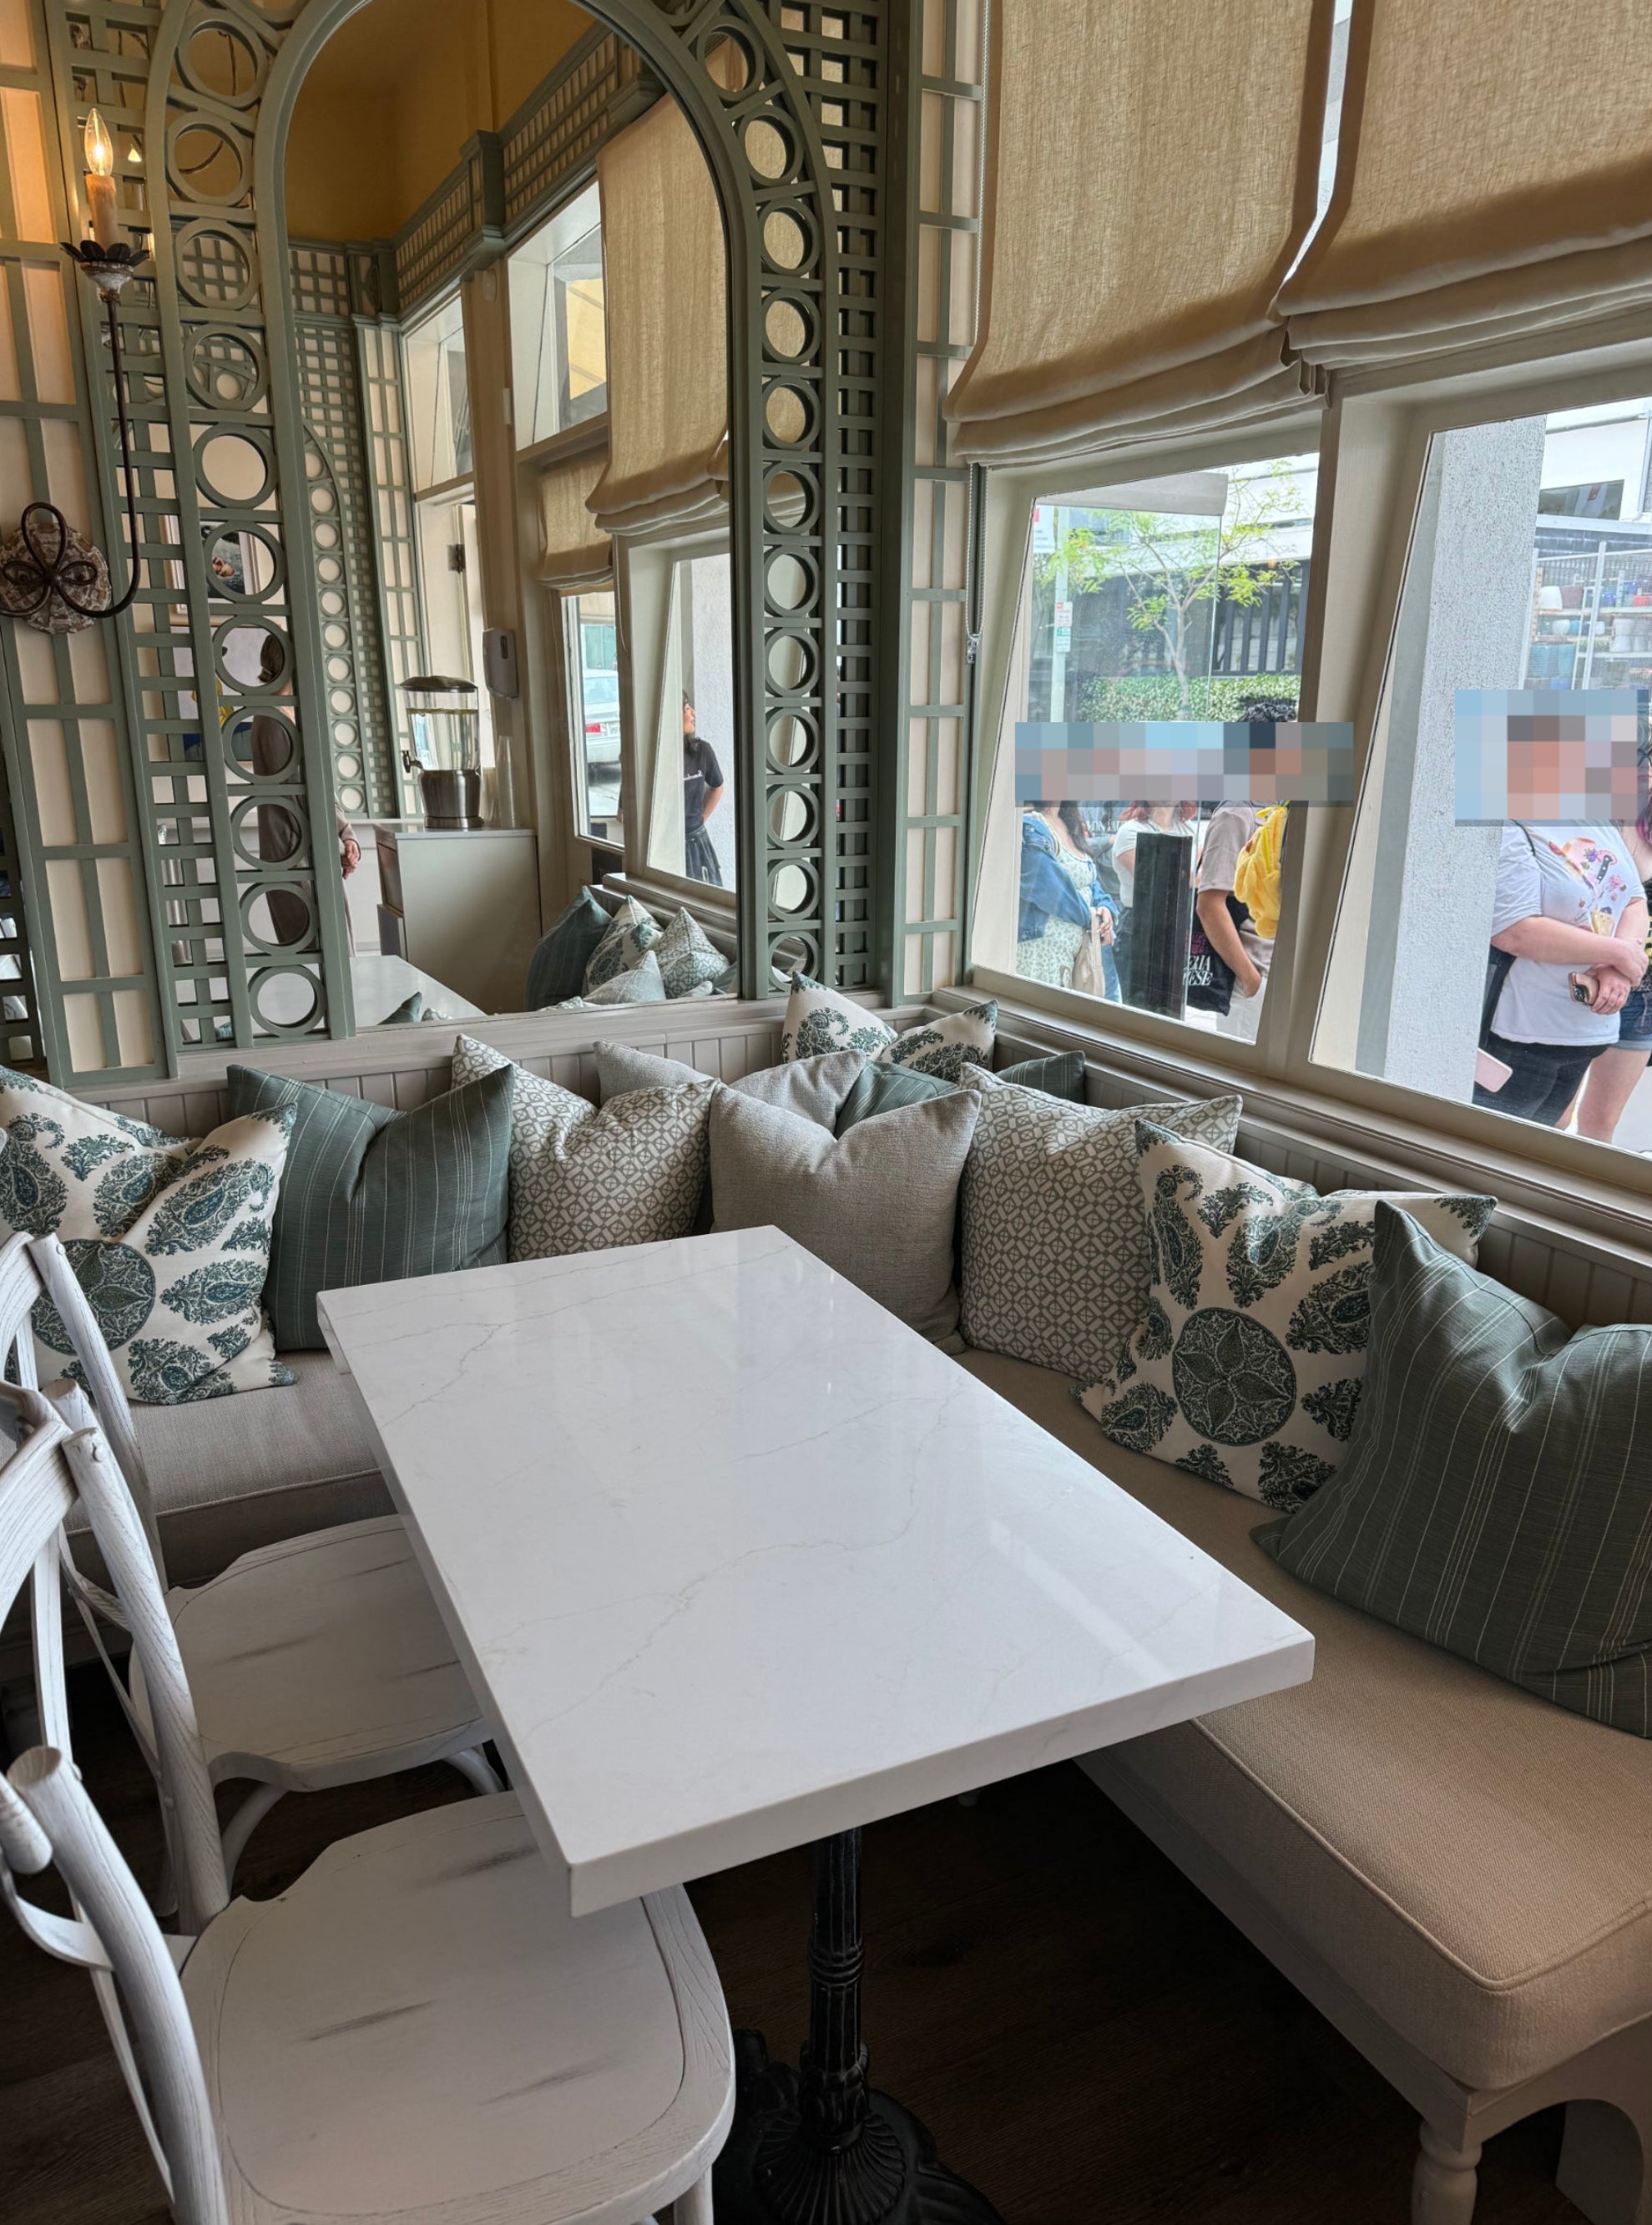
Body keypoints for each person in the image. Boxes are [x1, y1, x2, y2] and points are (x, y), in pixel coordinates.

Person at [1476, 823, 1648, 1127]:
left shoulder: (1597, 819)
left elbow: (1635, 900)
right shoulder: (1507, 821)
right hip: (1520, 1039)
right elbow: (1514, 931)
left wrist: (1617, 969)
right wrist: (1618, 954)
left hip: (1586, 1037)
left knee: (1541, 1154)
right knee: (1496, 1155)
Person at [250, 634, 359, 948]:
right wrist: (340, 844)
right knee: (320, 955)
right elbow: (299, 794)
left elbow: (320, 787)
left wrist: (347, 834)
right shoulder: (271, 718)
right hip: (293, 854)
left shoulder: (293, 713)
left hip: (313, 849)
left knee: (336, 951)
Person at [1572, 815, 1652, 1143]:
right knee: (1555, 1116)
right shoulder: (1602, 816)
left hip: (1643, 1000)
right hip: (1582, 979)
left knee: (1600, 1120)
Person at [1017, 801, 1118, 995]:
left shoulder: (1069, 823)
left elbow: (1089, 879)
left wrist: (1105, 908)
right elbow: (1048, 886)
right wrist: (1091, 918)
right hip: (1041, 952)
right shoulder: (1030, 825)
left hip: (1071, 956)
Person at [1195, 800, 1270, 1042]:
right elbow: (1209, 906)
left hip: (1267, 975)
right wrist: (1251, 981)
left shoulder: (1279, 810)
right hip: (1248, 981)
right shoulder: (1236, 812)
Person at [1110, 802, 1196, 1003]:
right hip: (1138, 924)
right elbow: (1155, 882)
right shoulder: (1131, 831)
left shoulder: (1189, 830)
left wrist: (1190, 879)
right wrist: (1191, 879)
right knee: (1139, 1007)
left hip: (1177, 923)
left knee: (1171, 1006)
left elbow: (1196, 878)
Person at [682, 696, 725, 886]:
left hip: (695, 842)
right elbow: (623, 815)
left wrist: (698, 821)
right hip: (662, 845)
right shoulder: (653, 757)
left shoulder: (701, 750)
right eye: (686, 708)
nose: (693, 713)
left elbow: (717, 786)